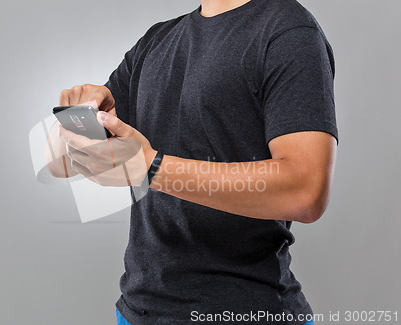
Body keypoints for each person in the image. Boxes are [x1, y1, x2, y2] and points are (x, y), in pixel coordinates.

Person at [45, 0, 338, 324]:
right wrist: (76, 117)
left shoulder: (288, 29)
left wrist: (150, 167)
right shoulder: (156, 41)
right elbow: (58, 163)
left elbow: (306, 190)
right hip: (138, 311)